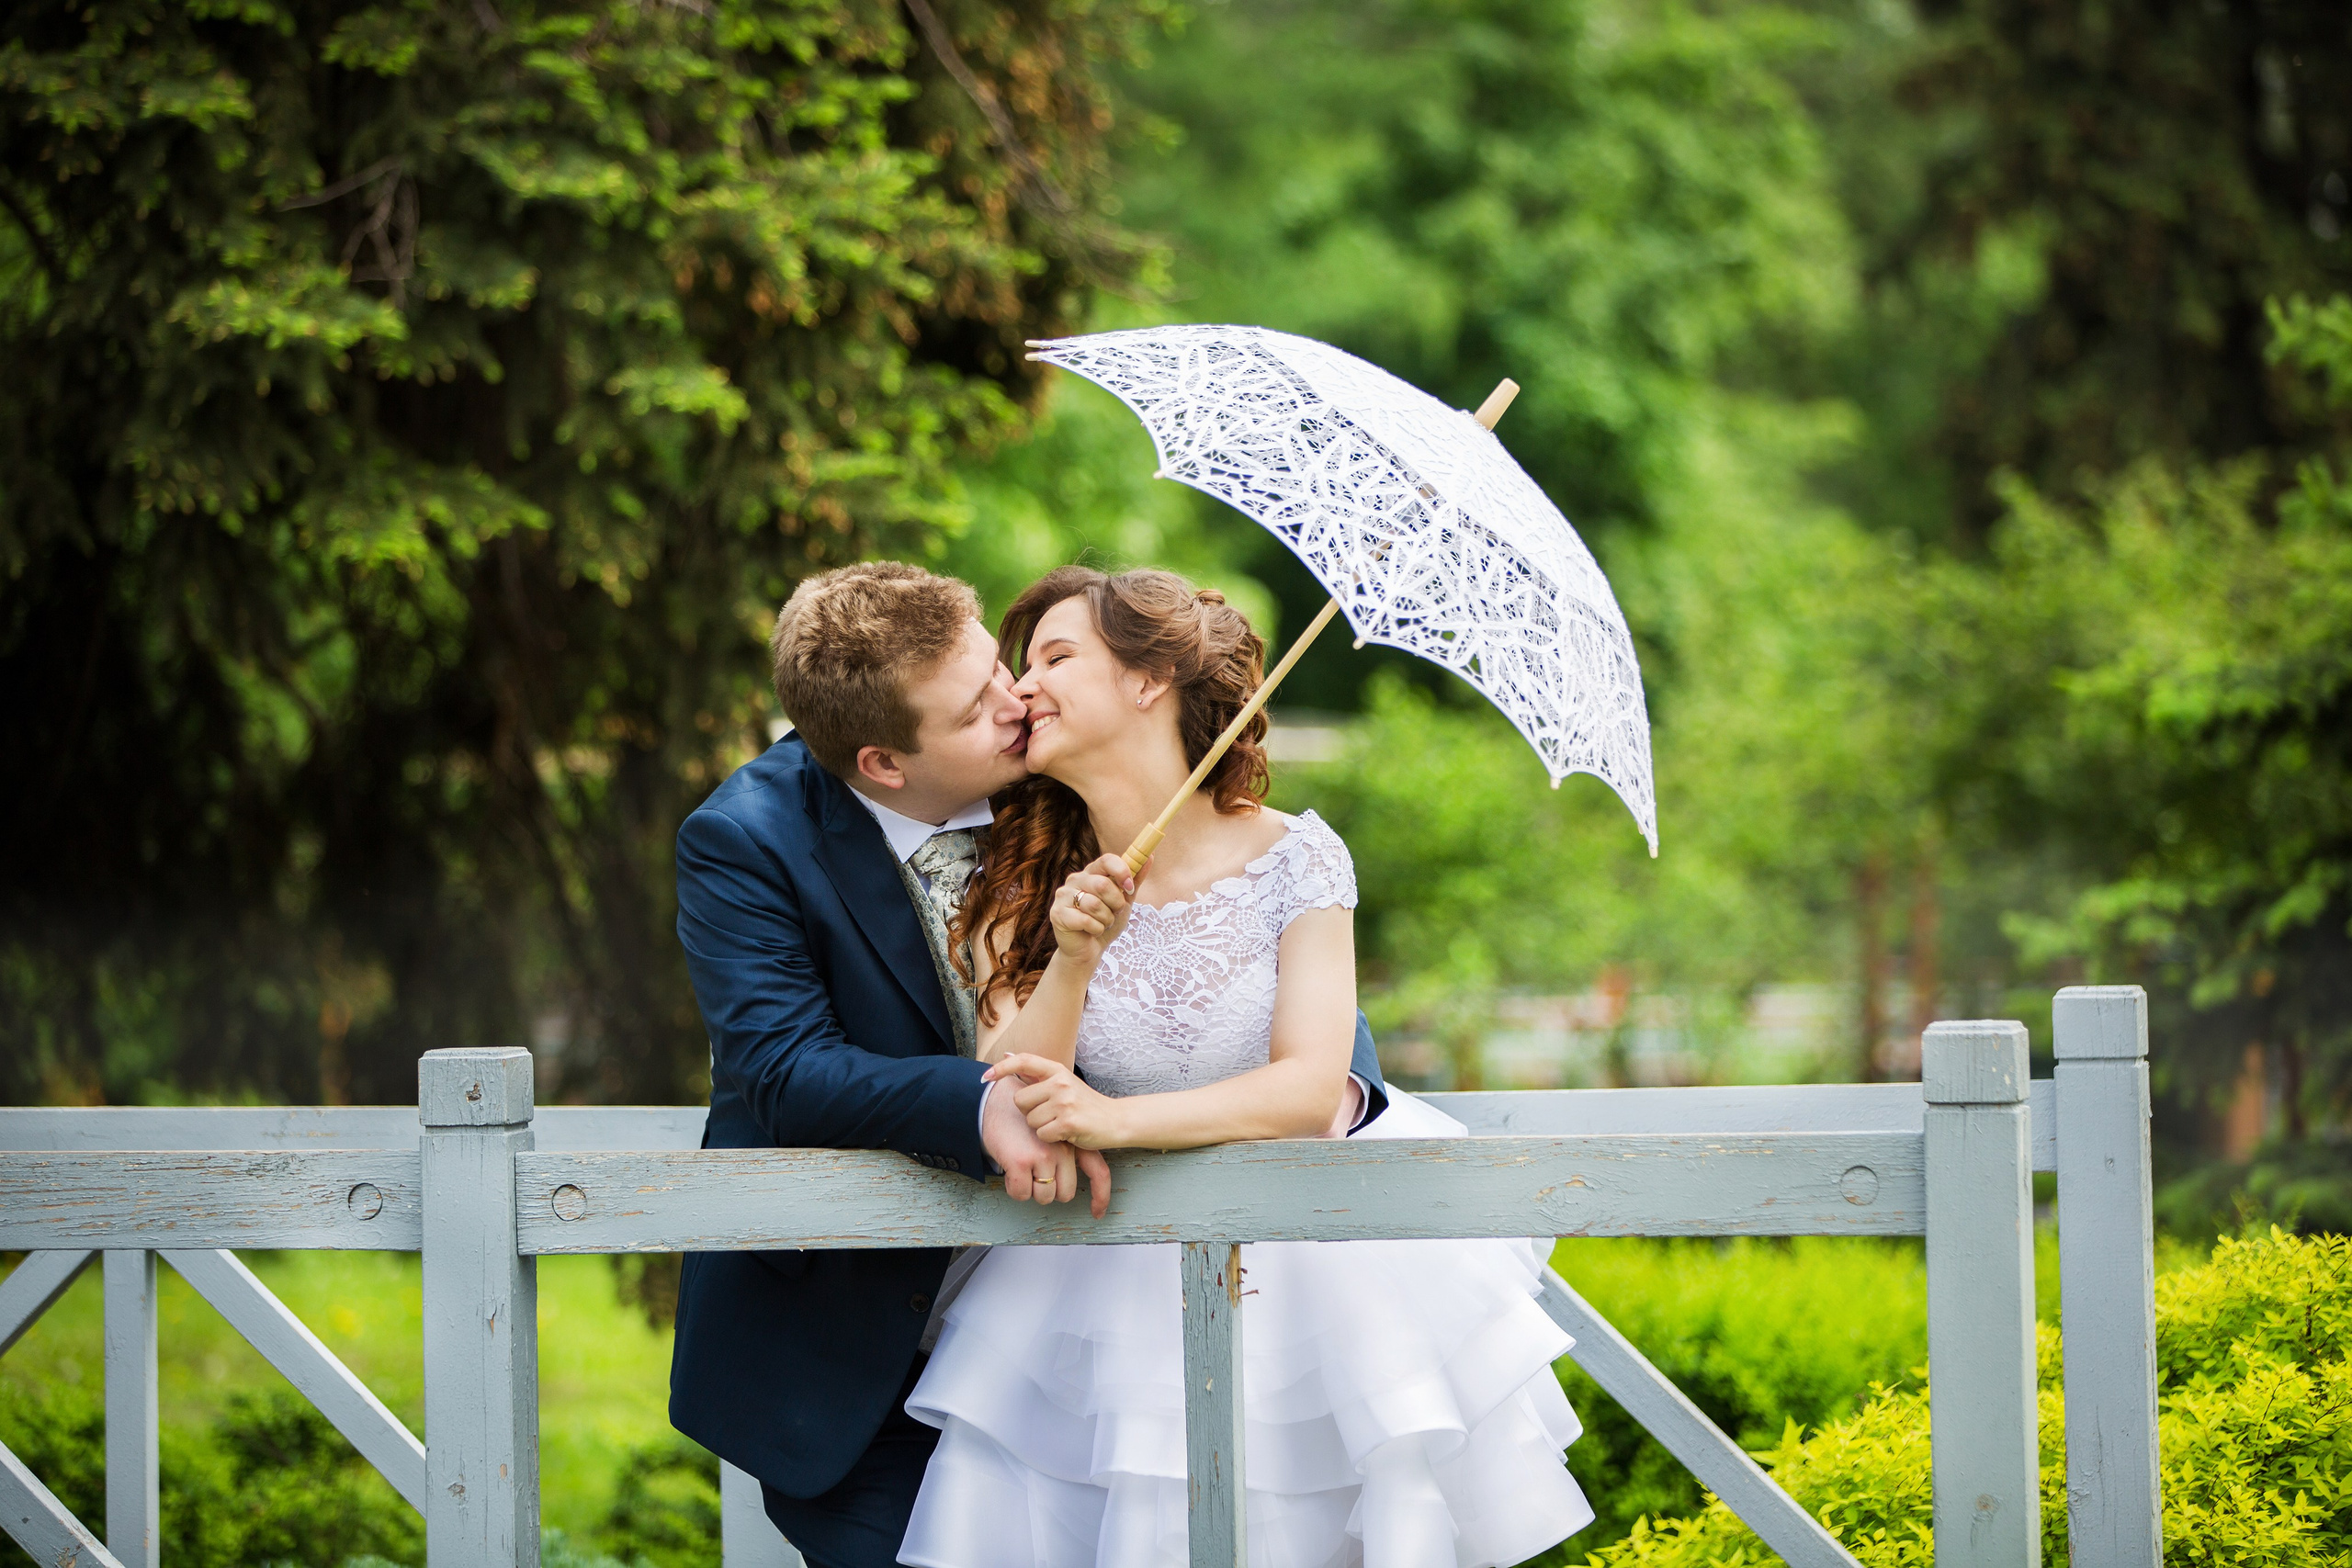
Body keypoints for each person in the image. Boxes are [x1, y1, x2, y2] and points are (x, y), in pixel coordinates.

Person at [666, 561, 1390, 1568]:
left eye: (1004, 668)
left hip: (1118, 1313)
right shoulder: (748, 840)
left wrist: (1336, 1086)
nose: (1018, 700)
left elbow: (1253, 985)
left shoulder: (1057, 786)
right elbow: (785, 1070)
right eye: (979, 706)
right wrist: (990, 1104)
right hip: (859, 1338)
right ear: (884, 763)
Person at [899, 567, 1592, 1568]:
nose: (1024, 686)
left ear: (1148, 680)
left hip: (1315, 1274)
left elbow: (1309, 1088)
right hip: (1095, 1283)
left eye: (1056, 657)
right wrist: (1075, 959)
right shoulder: (1012, 873)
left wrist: (1115, 1121)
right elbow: (1009, 1093)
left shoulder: (1301, 860)